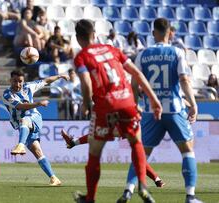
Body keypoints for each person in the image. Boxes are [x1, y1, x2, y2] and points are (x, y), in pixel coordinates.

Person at [72, 19, 162, 203]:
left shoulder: (82, 56)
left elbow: (86, 83)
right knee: (136, 143)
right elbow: (137, 73)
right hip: (127, 101)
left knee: (94, 154)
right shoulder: (112, 49)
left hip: (105, 105)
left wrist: (87, 104)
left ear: (78, 38)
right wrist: (154, 100)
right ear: (94, 34)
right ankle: (143, 186)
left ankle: (90, 198)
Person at [117, 18, 202, 203]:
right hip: (174, 110)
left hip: (150, 111)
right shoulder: (177, 52)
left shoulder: (143, 54)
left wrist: (136, 104)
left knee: (141, 154)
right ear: (169, 33)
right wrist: (193, 104)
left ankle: (128, 191)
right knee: (187, 150)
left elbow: (134, 82)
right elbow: (184, 80)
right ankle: (190, 196)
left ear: (154, 32)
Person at [3, 70, 68, 186]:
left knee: (25, 120)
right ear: (10, 81)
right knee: (38, 152)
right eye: (15, 81)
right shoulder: (7, 95)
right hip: (22, 126)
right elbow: (20, 106)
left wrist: (59, 76)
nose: (18, 84)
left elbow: (46, 81)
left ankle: (20, 145)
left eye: (20, 81)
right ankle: (54, 178)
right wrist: (39, 103)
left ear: (24, 81)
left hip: (35, 118)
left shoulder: (28, 87)